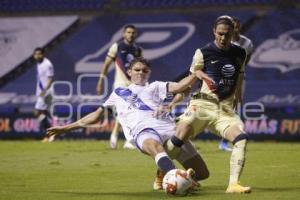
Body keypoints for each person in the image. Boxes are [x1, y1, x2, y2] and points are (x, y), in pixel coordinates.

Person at [47, 57, 209, 190]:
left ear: (149, 73)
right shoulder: (118, 93)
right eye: (137, 70)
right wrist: (65, 128)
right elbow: (96, 117)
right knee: (154, 146)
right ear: (129, 72)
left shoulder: (156, 86)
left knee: (202, 174)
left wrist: (196, 73)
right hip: (143, 131)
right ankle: (175, 179)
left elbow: (181, 86)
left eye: (145, 70)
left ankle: (164, 173)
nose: (141, 73)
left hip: (168, 129)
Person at [166, 16, 251, 194]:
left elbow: (240, 75)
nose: (222, 38)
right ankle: (162, 174)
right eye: (220, 34)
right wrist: (174, 102)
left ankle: (233, 185)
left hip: (224, 110)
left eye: (227, 35)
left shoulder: (240, 53)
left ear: (233, 33)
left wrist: (237, 95)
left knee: (241, 139)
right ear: (214, 32)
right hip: (202, 105)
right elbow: (191, 79)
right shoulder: (203, 52)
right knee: (178, 138)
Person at [96, 24, 142, 149]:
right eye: (128, 32)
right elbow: (106, 65)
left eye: (133, 32)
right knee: (125, 110)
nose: (131, 34)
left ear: (135, 34)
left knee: (128, 111)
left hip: (133, 85)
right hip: (120, 84)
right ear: (123, 34)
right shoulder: (117, 47)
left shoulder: (137, 50)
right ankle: (128, 140)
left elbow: (140, 69)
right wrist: (100, 81)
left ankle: (116, 135)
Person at [219, 16, 254, 152]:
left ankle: (226, 141)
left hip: (239, 79)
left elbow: (246, 62)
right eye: (233, 27)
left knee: (236, 107)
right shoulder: (223, 42)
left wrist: (238, 72)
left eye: (237, 26)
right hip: (223, 79)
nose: (235, 29)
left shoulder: (247, 43)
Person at [33, 47, 55, 143]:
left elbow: (50, 79)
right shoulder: (39, 63)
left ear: (43, 54)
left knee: (37, 112)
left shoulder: (47, 64)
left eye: (39, 54)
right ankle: (50, 134)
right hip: (42, 92)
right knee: (45, 114)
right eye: (36, 54)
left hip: (46, 92)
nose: (37, 56)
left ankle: (49, 134)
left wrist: (44, 91)